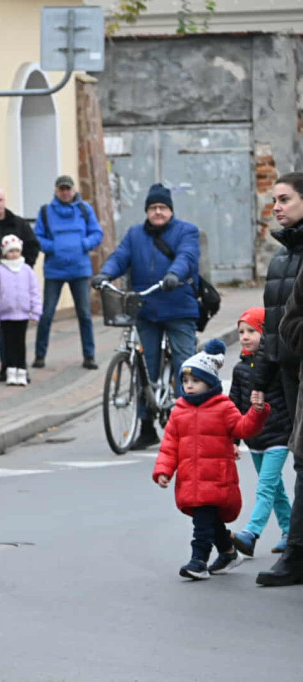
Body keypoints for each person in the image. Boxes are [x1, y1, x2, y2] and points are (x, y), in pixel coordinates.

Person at [93, 183, 200, 450]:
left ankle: (189, 425)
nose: (158, 212)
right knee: (145, 367)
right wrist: (105, 274)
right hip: (146, 308)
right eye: (153, 208)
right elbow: (120, 257)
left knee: (185, 365)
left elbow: (187, 256)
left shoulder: (186, 231)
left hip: (178, 306)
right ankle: (146, 426)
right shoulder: (135, 234)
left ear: (170, 210)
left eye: (163, 207)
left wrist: (175, 274)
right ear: (147, 211)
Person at [152, 340, 269, 580]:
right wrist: (164, 470)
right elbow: (169, 445)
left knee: (202, 524)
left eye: (195, 381)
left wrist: (257, 412)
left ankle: (198, 561)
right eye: (185, 382)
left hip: (216, 477)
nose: (189, 386)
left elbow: (243, 428)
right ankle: (227, 552)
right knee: (208, 518)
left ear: (210, 382)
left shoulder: (223, 407)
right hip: (190, 478)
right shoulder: (179, 410)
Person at [258, 171, 303, 586]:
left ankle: (295, 552)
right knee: (298, 456)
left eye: (286, 199)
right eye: (275, 200)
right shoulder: (281, 257)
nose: (277, 206)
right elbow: (273, 325)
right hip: (288, 372)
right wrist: (263, 376)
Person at [228, 308, 292, 556]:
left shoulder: (276, 366)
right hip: (254, 439)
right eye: (241, 331)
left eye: (252, 331)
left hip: (278, 435)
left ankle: (251, 533)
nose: (245, 336)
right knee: (275, 488)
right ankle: (290, 531)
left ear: (265, 333)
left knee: (265, 486)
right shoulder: (239, 369)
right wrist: (233, 439)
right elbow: (233, 405)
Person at [33, 175, 103, 370]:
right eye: (61, 189)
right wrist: (53, 247)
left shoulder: (84, 210)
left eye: (68, 189)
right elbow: (37, 237)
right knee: (46, 314)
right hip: (54, 270)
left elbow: (97, 233)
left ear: (73, 190)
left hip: (80, 269)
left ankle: (89, 356)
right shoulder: (46, 211)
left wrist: (84, 244)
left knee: (85, 314)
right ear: (56, 191)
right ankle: (40, 355)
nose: (65, 192)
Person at [0, 187, 40, 382]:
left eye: (0, 199)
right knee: (1, 329)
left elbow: (33, 245)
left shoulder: (18, 223)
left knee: (18, 335)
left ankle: (20, 367)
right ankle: (6, 365)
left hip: (19, 285)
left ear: (5, 201)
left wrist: (23, 268)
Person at [0, 235, 42, 387]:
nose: (14, 254)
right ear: (4, 253)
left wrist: (36, 311)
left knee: (20, 344)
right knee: (8, 344)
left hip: (22, 314)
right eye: (10, 251)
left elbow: (34, 291)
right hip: (5, 315)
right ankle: (11, 372)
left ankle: (22, 371)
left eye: (17, 251)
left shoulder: (27, 270)